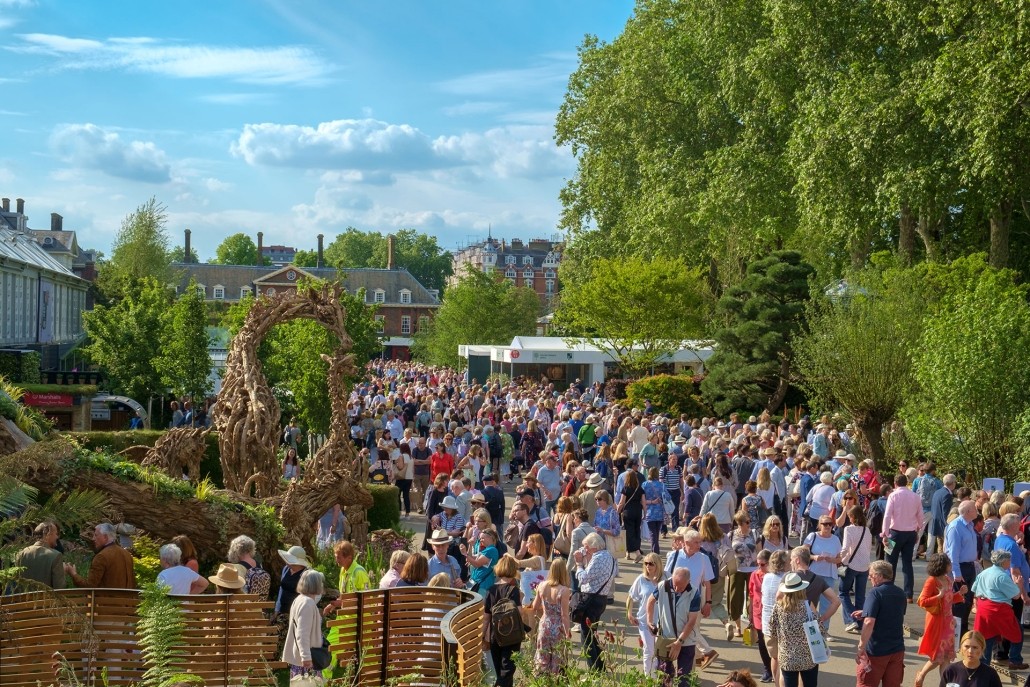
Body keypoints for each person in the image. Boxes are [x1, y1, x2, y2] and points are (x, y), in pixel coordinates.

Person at [645, 566, 701, 687]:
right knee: (664, 677)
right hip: (666, 638)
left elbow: (691, 621)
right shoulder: (663, 586)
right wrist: (649, 621)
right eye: (674, 585)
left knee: (684, 679)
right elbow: (650, 601)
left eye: (680, 587)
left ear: (688, 582)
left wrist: (679, 642)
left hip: (686, 640)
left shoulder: (694, 593)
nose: (676, 589)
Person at [854, 560, 908, 687]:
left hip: (876, 651)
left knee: (866, 683)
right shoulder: (900, 593)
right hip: (897, 649)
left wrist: (861, 647)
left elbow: (869, 621)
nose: (869, 578)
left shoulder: (875, 593)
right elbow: (893, 613)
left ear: (879, 576)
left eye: (871, 575)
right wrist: (866, 612)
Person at [972, 548, 1025, 669]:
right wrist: (1019, 584)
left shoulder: (984, 572)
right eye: (1009, 560)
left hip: (983, 608)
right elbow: (1016, 595)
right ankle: (1015, 659)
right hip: (998, 609)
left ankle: (983, 665)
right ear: (1003, 562)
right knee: (1017, 632)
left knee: (986, 637)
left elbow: (975, 590)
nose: (1010, 562)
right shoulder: (1002, 576)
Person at [573, 532, 618, 670]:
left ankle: (593, 669)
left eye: (586, 546)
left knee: (587, 636)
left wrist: (579, 564)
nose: (585, 549)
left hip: (591, 599)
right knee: (593, 634)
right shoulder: (608, 556)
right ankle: (600, 666)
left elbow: (584, 578)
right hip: (601, 598)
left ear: (594, 546)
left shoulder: (598, 558)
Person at [766, 572, 819, 687]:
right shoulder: (808, 605)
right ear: (801, 589)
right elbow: (819, 628)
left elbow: (772, 630)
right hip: (808, 656)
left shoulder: (778, 607)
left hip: (787, 656)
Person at [914, 553, 958, 687]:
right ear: (942, 566)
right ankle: (921, 674)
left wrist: (959, 594)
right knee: (937, 656)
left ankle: (944, 684)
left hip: (948, 622)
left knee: (945, 656)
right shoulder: (931, 581)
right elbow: (922, 601)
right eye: (948, 563)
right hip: (937, 621)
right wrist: (938, 596)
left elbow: (949, 600)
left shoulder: (948, 579)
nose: (950, 565)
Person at [881, 472, 924, 603]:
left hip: (894, 533)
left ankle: (889, 592)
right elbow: (920, 517)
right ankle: (908, 594)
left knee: (890, 563)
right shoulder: (915, 496)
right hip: (910, 533)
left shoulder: (893, 495)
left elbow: (887, 515)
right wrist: (917, 530)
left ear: (895, 483)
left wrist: (885, 534)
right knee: (907, 564)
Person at [484, 554, 524, 687]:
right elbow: (519, 612)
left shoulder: (490, 590)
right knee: (507, 671)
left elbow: (486, 617)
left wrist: (484, 636)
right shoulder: (514, 590)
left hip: (496, 635)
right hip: (512, 635)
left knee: (498, 669)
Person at [64, 523, 136, 589]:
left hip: (105, 602)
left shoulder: (102, 556)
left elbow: (90, 586)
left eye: (96, 535)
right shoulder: (127, 554)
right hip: (128, 602)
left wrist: (73, 574)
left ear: (105, 537)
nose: (93, 539)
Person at [282, 569, 325, 678]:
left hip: (301, 657)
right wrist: (306, 657)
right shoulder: (307, 603)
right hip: (306, 660)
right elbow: (302, 633)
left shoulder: (300, 599)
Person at [945, 500, 979, 636]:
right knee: (959, 603)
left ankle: (963, 631)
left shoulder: (970, 525)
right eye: (975, 509)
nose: (977, 511)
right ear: (967, 512)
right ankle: (955, 633)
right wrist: (956, 574)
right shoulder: (955, 527)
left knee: (968, 600)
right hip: (960, 569)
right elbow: (952, 553)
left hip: (970, 567)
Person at [627, 552, 664, 676]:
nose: (648, 566)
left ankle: (659, 675)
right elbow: (631, 597)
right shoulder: (641, 579)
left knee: (660, 650)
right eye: (646, 563)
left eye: (651, 564)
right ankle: (649, 677)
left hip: (662, 621)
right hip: (644, 621)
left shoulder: (665, 578)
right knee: (649, 650)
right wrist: (629, 614)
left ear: (657, 565)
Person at [532, 558, 572, 675]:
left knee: (542, 656)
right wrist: (567, 632)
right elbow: (564, 615)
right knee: (557, 658)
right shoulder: (564, 590)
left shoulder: (542, 585)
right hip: (557, 627)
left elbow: (535, 606)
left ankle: (541, 679)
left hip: (544, 624)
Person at [840, 505, 872, 634]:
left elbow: (845, 548)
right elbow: (869, 548)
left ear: (853, 517)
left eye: (849, 517)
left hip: (851, 564)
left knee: (843, 592)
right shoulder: (867, 530)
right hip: (864, 565)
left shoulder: (849, 529)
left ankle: (851, 618)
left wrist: (839, 558)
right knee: (860, 596)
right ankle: (859, 623)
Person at [761, 550, 791, 685]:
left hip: (767, 624)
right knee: (784, 660)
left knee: (774, 657)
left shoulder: (766, 577)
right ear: (784, 563)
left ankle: (776, 684)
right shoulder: (787, 579)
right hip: (783, 624)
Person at [728, 510, 759, 640]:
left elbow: (760, 550)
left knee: (752, 598)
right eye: (746, 522)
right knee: (735, 597)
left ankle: (750, 627)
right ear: (739, 523)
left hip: (752, 569)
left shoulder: (754, 533)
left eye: (748, 521)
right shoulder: (731, 535)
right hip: (737, 569)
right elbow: (727, 552)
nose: (748, 524)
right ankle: (737, 626)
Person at [939, 631, 1003, 687]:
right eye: (966, 646)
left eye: (975, 647)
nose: (970, 651)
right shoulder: (951, 670)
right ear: (961, 648)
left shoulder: (990, 674)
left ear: (982, 649)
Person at [14, 521, 65, 589]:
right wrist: (63, 572)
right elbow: (60, 588)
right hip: (46, 599)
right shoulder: (56, 555)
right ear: (48, 534)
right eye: (56, 534)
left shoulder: (20, 554)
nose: (57, 537)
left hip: (23, 599)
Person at [749, 549, 774, 683]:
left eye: (762, 564)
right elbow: (751, 595)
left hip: (771, 613)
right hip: (758, 613)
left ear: (770, 563)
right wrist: (750, 614)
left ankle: (776, 668)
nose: (759, 567)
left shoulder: (776, 576)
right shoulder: (754, 575)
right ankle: (767, 669)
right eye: (757, 564)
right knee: (762, 642)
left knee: (773, 642)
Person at [617, 468, 645, 562]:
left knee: (629, 533)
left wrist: (617, 511)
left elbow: (621, 502)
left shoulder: (625, 488)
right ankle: (628, 553)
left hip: (628, 512)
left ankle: (637, 553)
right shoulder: (640, 488)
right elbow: (644, 502)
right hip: (638, 511)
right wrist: (645, 513)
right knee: (637, 531)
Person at [463, 528, 500, 595]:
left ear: (490, 538)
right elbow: (470, 557)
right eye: (480, 538)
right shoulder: (486, 550)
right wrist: (470, 545)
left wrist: (465, 554)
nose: (480, 540)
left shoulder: (492, 550)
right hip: (476, 582)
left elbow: (477, 564)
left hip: (483, 584)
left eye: (482, 538)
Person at [643, 466, 667, 554]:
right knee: (656, 533)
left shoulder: (645, 485)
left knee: (653, 533)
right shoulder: (662, 485)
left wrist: (651, 501)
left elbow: (642, 499)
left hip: (649, 512)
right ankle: (655, 551)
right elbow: (667, 497)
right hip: (660, 512)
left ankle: (655, 551)